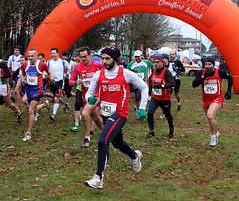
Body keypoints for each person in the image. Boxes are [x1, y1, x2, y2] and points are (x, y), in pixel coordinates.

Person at [84, 46, 146, 189]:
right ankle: (134, 156)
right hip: (106, 113)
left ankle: (98, 177)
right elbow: (89, 93)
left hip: (120, 114)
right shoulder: (98, 74)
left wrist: (142, 107)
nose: (104, 61)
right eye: (102, 58)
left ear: (115, 59)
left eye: (107, 58)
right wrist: (91, 99)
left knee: (102, 141)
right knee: (117, 143)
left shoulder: (126, 74)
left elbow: (144, 87)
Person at [192, 56, 232, 147]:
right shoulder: (202, 73)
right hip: (206, 99)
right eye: (206, 64)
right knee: (211, 119)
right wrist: (203, 77)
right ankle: (217, 133)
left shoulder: (220, 72)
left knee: (210, 116)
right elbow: (194, 85)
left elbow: (230, 78)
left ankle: (213, 136)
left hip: (217, 98)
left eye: (209, 64)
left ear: (213, 65)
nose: (207, 66)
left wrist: (229, 91)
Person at [69, 46, 104, 148]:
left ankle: (87, 138)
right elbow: (70, 81)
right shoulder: (77, 67)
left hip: (97, 95)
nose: (83, 59)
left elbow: (109, 73)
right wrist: (76, 82)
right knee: (95, 117)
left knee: (84, 113)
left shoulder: (98, 65)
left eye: (85, 56)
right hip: (86, 95)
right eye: (81, 57)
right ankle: (107, 132)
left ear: (90, 55)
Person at [20, 48, 52, 141]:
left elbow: (49, 72)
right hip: (28, 89)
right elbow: (23, 74)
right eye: (29, 56)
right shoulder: (25, 64)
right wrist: (22, 80)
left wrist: (52, 79)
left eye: (32, 56)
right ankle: (45, 104)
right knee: (32, 109)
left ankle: (28, 133)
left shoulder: (42, 65)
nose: (30, 58)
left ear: (36, 56)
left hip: (38, 90)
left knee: (30, 110)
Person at [146, 54, 175, 140]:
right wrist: (150, 91)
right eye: (154, 62)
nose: (156, 64)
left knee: (168, 115)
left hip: (165, 98)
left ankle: (171, 131)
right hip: (155, 97)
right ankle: (151, 131)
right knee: (150, 112)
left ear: (162, 62)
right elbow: (151, 81)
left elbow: (172, 83)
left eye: (157, 62)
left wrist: (162, 86)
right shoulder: (154, 71)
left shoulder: (166, 71)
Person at [47, 47, 71, 122]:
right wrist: (48, 77)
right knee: (55, 97)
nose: (53, 55)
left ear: (58, 53)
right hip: (52, 82)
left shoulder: (62, 61)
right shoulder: (49, 62)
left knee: (56, 99)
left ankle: (53, 115)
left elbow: (70, 68)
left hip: (60, 82)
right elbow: (46, 70)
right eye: (51, 53)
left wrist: (66, 75)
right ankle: (65, 104)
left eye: (54, 53)